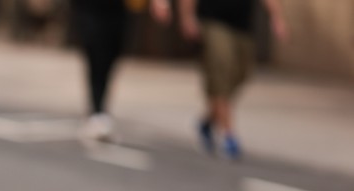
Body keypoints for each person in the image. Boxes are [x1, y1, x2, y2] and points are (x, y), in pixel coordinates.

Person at [178, 0, 288, 160]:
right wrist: (187, 17)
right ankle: (229, 135)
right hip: (213, 21)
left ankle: (207, 121)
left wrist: (277, 18)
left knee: (242, 74)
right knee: (221, 71)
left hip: (242, 26)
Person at [74, 0, 171, 142]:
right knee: (95, 53)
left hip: (119, 8)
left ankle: (99, 110)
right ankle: (97, 111)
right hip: (89, 7)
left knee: (111, 55)